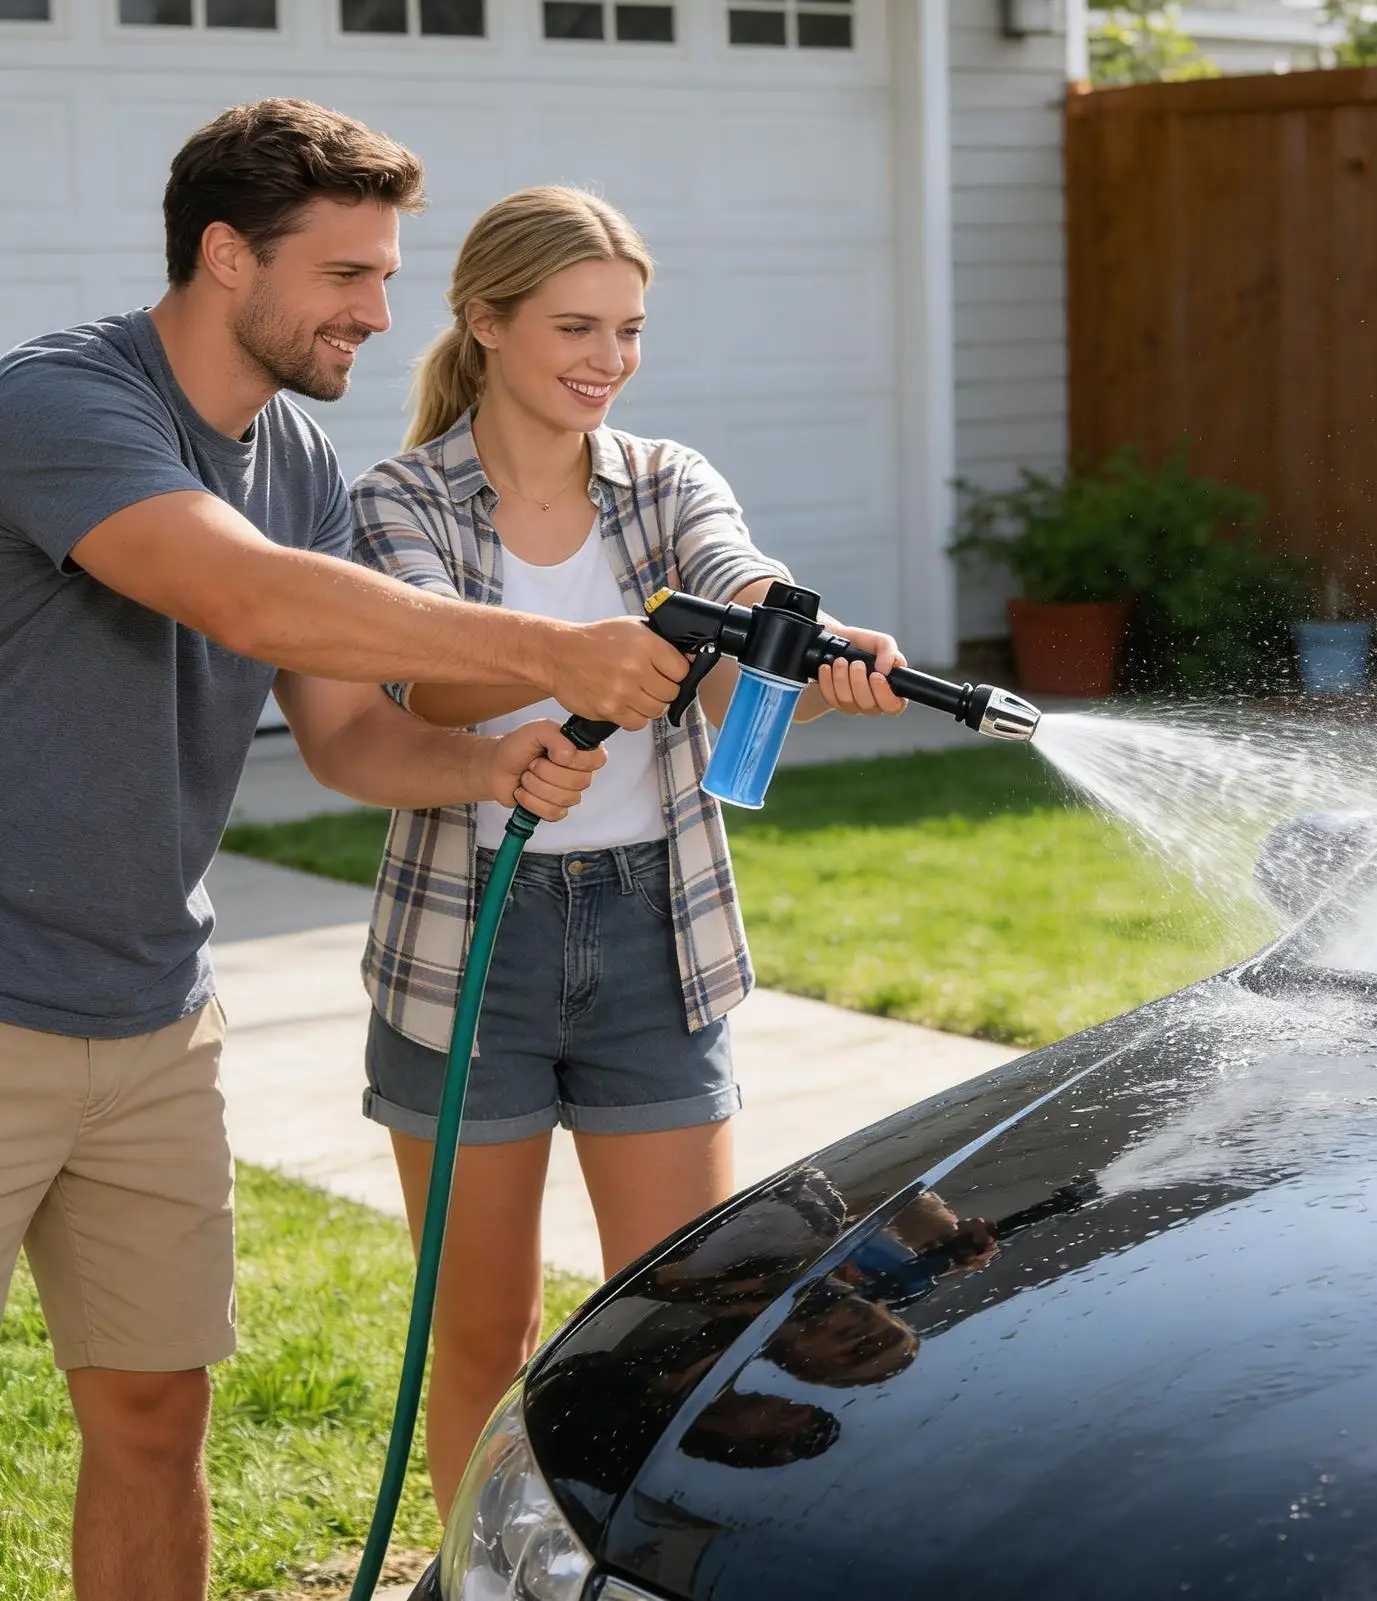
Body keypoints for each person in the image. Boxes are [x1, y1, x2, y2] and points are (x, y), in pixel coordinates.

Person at [0, 102, 690, 1601]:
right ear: (226, 255)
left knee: (152, 1411)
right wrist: (553, 647)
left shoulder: (301, 462)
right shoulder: (60, 401)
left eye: (388, 277)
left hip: (147, 1012)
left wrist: (482, 756)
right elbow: (242, 599)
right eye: (347, 277)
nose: (380, 315)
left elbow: (341, 734)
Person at [349, 185, 907, 1515]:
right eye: (575, 327)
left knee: (681, 1333)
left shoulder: (663, 483)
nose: (610, 359)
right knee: (481, 1340)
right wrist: (571, 662)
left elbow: (736, 571)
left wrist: (809, 642)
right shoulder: (398, 500)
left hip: (659, 937)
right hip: (467, 941)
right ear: (484, 322)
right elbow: (421, 677)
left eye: (631, 331)